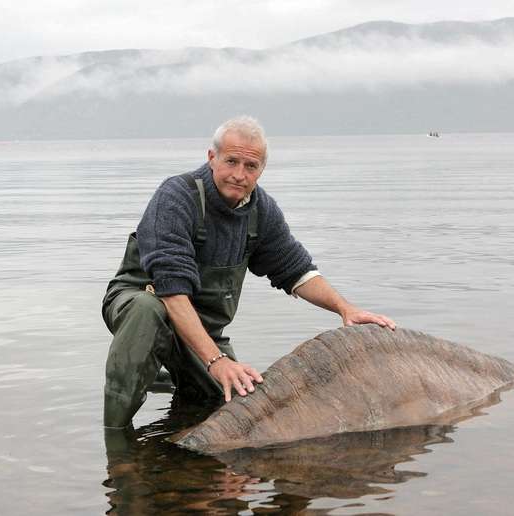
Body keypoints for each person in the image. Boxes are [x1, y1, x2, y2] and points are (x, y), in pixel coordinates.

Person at [101, 116, 395, 429]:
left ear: (261, 170)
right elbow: (171, 291)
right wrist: (216, 361)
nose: (239, 175)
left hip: (204, 329)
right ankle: (117, 439)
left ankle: (170, 378)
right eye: (231, 161)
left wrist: (345, 309)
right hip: (142, 303)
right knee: (148, 309)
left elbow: (297, 270)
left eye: (250, 167)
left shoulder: (262, 210)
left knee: (237, 407)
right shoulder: (176, 196)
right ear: (211, 158)